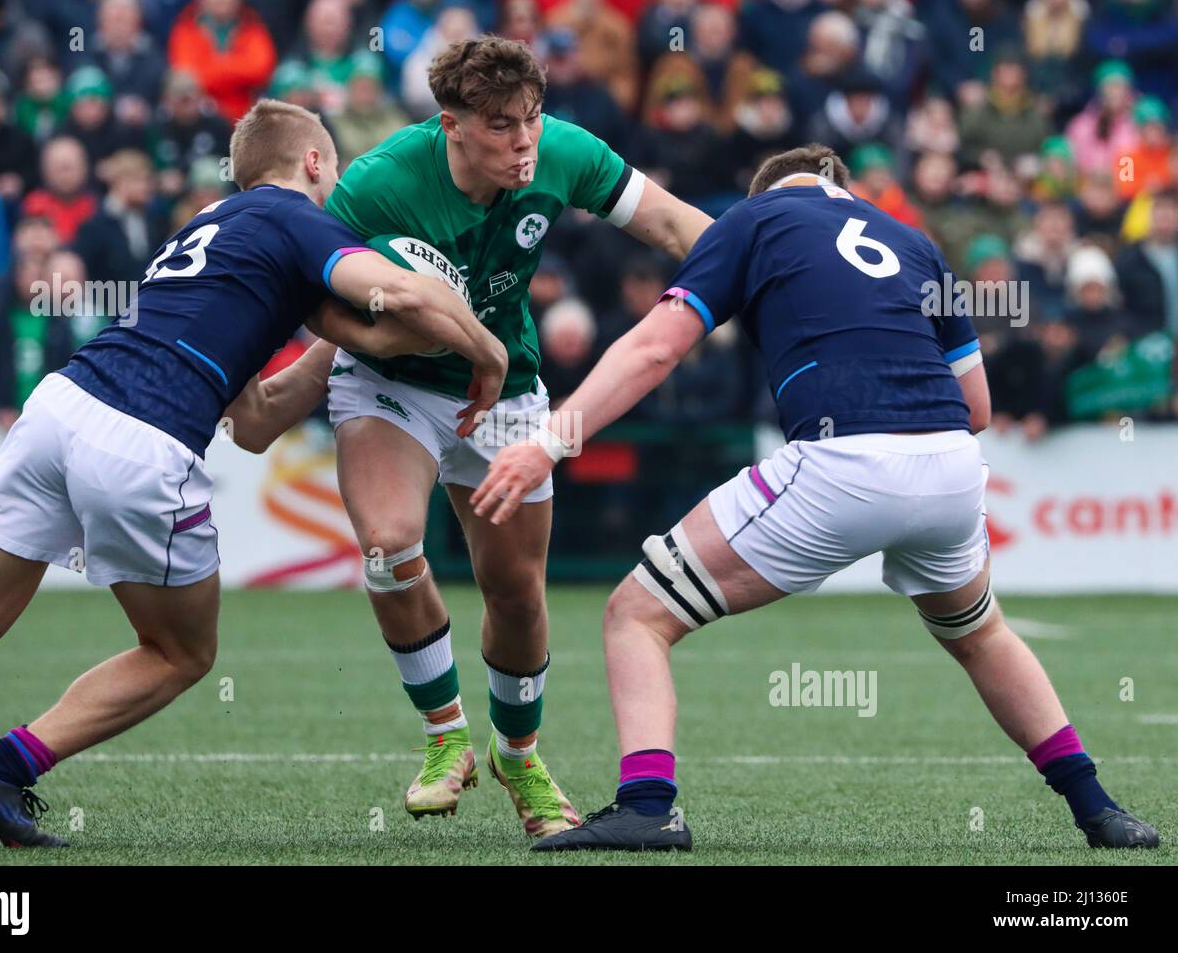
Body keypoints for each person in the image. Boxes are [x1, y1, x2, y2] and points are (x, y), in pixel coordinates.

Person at [472, 144, 1161, 853]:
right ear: (844, 190)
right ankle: (1098, 808)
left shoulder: (754, 218)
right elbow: (977, 406)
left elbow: (655, 349)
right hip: (952, 466)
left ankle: (649, 807)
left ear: (765, 187)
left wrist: (550, 441)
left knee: (636, 615)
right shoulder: (914, 241)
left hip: (841, 462)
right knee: (981, 633)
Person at [0, 99, 506, 849]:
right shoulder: (296, 217)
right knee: (181, 653)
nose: (336, 184)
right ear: (311, 163)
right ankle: (2, 769)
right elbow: (397, 291)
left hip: (61, 408)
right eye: (332, 166)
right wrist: (485, 348)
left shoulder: (208, 226)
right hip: (142, 443)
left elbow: (256, 421)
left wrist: (344, 349)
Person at [292, 34, 713, 839]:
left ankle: (517, 753)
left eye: (532, 119)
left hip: (510, 391)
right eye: (500, 127)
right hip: (394, 386)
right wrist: (382, 342)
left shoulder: (560, 151)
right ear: (450, 124)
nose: (524, 142)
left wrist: (766, 264)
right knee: (388, 543)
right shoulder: (380, 183)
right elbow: (308, 292)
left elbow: (669, 221)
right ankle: (445, 735)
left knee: (516, 595)